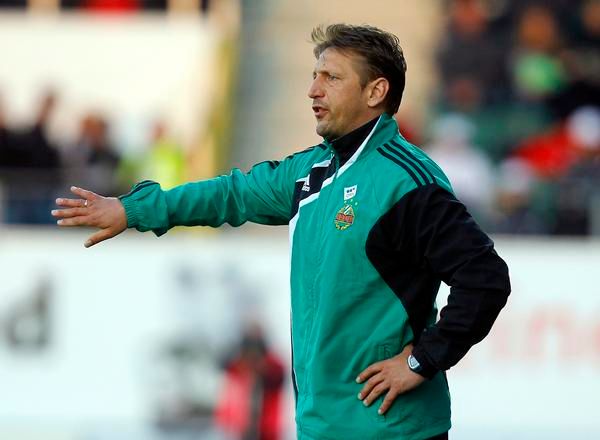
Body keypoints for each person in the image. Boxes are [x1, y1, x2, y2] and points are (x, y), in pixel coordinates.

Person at [52, 24, 511, 440]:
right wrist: (133, 209)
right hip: (320, 426)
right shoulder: (312, 171)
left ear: (376, 91)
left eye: (331, 77)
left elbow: (485, 278)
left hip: (391, 431)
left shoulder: (406, 181)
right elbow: (231, 194)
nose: (313, 90)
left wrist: (420, 360)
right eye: (314, 76)